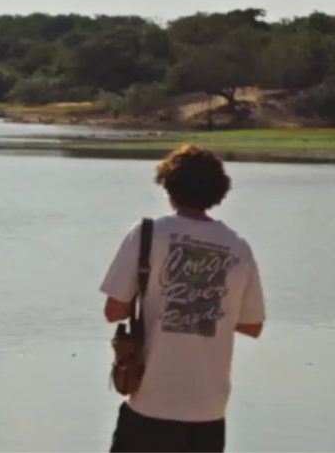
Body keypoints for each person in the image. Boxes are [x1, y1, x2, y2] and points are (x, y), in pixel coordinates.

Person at [100, 144, 265, 453]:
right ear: (218, 192)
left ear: (169, 187)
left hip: (150, 403)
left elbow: (113, 310)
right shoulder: (238, 247)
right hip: (209, 410)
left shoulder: (147, 234)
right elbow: (253, 324)